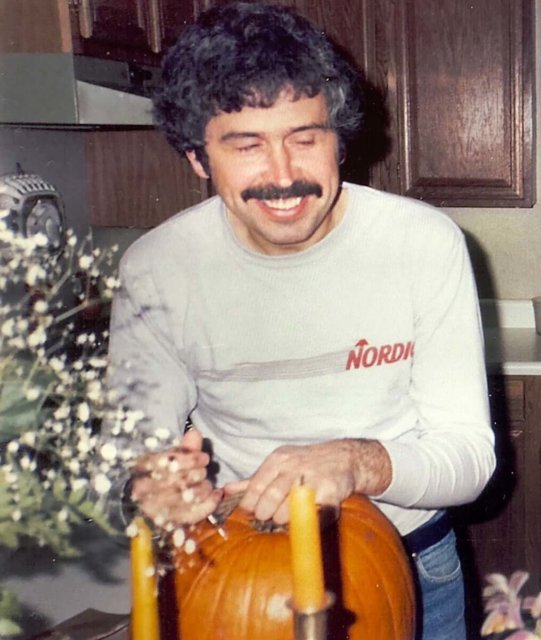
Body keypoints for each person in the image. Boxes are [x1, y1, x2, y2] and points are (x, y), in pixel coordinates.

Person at [105, 4, 495, 639]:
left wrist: (357, 463)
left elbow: (471, 459)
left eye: (305, 138)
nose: (283, 176)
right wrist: (147, 486)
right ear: (198, 159)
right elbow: (128, 456)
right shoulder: (159, 269)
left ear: (339, 139)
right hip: (235, 574)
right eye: (246, 145)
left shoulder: (423, 244)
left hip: (410, 564)